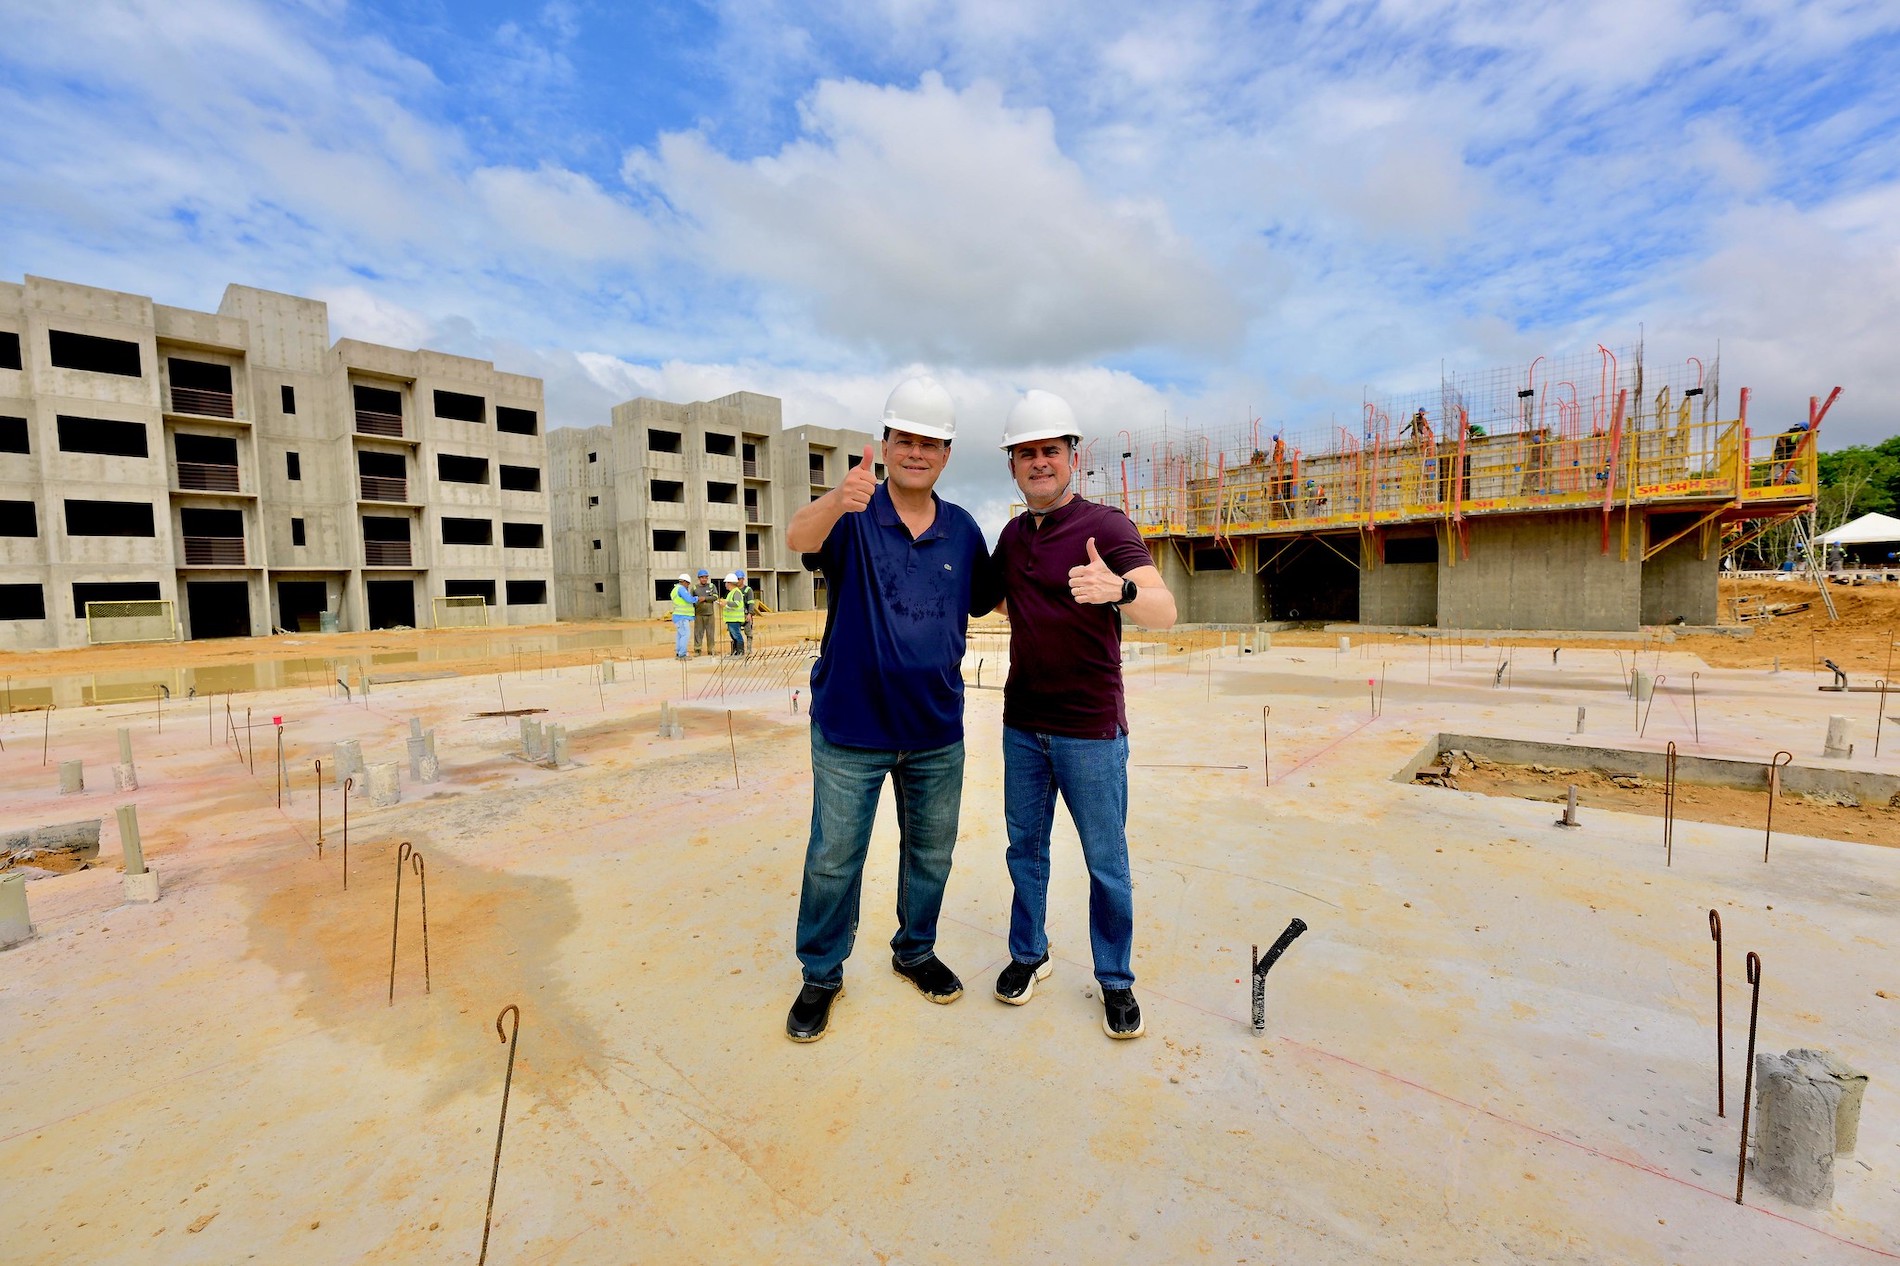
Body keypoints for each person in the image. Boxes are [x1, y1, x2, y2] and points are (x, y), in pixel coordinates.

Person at [782, 375, 997, 1042]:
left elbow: (993, 599)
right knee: (833, 860)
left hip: (935, 730)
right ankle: (821, 974)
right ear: (885, 443)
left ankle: (916, 950)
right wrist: (835, 499)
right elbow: (796, 538)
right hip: (851, 729)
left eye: (930, 442)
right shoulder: (852, 516)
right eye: (905, 438)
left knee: (931, 854)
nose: (916, 451)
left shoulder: (962, 531)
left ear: (947, 453)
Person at [990, 389, 1176, 1040]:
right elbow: (975, 598)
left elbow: (1164, 609)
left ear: (1073, 457)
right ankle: (1028, 955)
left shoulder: (1108, 527)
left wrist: (1119, 589)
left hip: (1091, 731)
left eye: (1050, 451)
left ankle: (1115, 982)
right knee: (1026, 852)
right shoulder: (1012, 538)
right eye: (1027, 453)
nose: (1039, 462)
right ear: (1012, 464)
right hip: (1023, 727)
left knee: (1106, 862)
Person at [692, 569, 719, 656]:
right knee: (698, 632)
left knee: (710, 633)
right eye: (702, 578)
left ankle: (711, 650)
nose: (704, 579)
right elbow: (691, 600)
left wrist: (705, 598)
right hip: (699, 614)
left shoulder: (711, 586)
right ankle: (697, 650)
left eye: (705, 577)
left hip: (710, 613)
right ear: (699, 578)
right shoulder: (694, 588)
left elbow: (715, 597)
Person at [668, 572, 695, 660]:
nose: (688, 586)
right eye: (688, 584)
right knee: (685, 635)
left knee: (680, 635)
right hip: (682, 617)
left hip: (678, 616)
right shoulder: (681, 589)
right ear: (685, 582)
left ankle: (679, 652)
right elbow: (689, 599)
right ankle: (682, 654)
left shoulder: (674, 589)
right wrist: (697, 598)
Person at [721, 572, 747, 656]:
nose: (725, 584)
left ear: (730, 583)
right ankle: (735, 652)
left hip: (735, 619)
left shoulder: (736, 592)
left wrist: (726, 603)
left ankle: (740, 652)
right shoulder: (731, 592)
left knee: (737, 636)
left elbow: (736, 603)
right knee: (733, 636)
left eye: (726, 583)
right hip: (731, 619)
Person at [739, 569, 758, 646]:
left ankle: (749, 648)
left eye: (739, 579)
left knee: (748, 632)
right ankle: (739, 649)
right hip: (737, 615)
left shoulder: (747, 590)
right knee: (736, 633)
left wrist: (750, 614)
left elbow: (751, 602)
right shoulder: (734, 590)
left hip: (746, 614)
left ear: (743, 579)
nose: (737, 581)